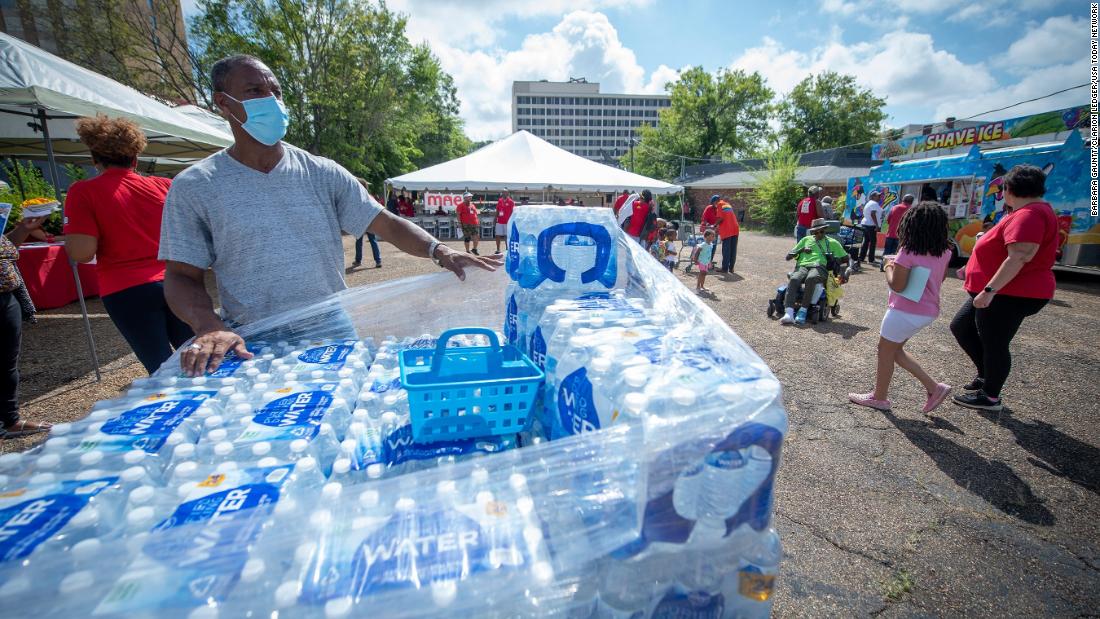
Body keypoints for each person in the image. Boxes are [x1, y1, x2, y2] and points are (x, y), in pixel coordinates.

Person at [159, 55, 499, 376]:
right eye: (255, 91)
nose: (272, 101)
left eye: (276, 92)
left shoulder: (322, 172)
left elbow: (386, 222)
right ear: (223, 103)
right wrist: (208, 325)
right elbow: (180, 276)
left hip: (331, 327)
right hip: (250, 338)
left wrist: (440, 251)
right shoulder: (196, 186)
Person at [64, 115, 195, 374]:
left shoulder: (83, 192)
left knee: (161, 369)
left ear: (94, 158)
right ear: (135, 157)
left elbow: (81, 252)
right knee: (198, 356)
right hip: (176, 281)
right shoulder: (165, 186)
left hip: (126, 289)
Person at [949, 164, 1058, 412]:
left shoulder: (1030, 214)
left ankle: (990, 396)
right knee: (962, 326)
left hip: (1010, 292)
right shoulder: (1026, 211)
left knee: (994, 342)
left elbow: (1019, 256)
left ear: (1009, 189)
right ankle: (986, 376)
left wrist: (989, 290)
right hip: (999, 290)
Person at [848, 203, 953, 413]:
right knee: (895, 351)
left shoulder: (908, 250)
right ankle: (934, 387)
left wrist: (888, 266)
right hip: (928, 310)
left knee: (885, 351)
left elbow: (897, 285)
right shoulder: (946, 250)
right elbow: (938, 279)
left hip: (904, 311)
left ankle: (879, 397)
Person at [1, 215, 52, 437]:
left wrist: (23, 229)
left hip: (5, 295)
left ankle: (10, 420)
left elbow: (5, 246)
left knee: (6, 363)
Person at [780, 218, 849, 325]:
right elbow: (788, 257)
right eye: (816, 232)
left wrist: (841, 270)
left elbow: (845, 259)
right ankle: (789, 313)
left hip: (820, 267)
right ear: (812, 232)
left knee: (811, 278)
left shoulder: (833, 242)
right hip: (803, 266)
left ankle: (803, 311)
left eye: (821, 231)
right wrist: (801, 250)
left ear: (825, 230)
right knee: (794, 278)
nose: (819, 234)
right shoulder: (805, 240)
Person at [352, 183, 383, 269]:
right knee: (372, 241)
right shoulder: (370, 197)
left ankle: (358, 260)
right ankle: (378, 260)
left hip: (362, 221)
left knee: (359, 241)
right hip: (369, 220)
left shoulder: (356, 196)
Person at [882, 194, 914, 264]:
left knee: (886, 252)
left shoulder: (894, 207)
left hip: (890, 234)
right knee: (895, 254)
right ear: (912, 202)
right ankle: (891, 266)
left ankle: (883, 266)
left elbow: (888, 220)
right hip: (901, 236)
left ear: (903, 200)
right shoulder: (912, 210)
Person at [715, 195, 739, 273]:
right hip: (735, 228)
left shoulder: (719, 204)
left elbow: (721, 218)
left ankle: (724, 268)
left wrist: (714, 225)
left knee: (726, 249)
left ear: (715, 201)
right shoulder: (727, 204)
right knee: (733, 249)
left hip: (727, 229)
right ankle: (731, 268)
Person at [858, 190, 883, 265]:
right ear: (873, 197)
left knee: (866, 241)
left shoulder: (869, 203)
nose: (880, 197)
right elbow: (873, 214)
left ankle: (862, 258)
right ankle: (871, 259)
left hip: (866, 224)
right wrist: (877, 225)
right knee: (873, 242)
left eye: (880, 196)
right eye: (878, 196)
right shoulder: (874, 203)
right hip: (871, 225)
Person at [691, 229, 716, 294]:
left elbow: (709, 253)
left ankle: (702, 286)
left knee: (704, 274)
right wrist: (695, 260)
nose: (713, 237)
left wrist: (710, 261)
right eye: (712, 236)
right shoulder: (703, 244)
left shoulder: (711, 244)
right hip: (702, 261)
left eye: (714, 236)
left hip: (706, 262)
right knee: (701, 273)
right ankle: (698, 287)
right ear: (707, 236)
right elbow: (697, 252)